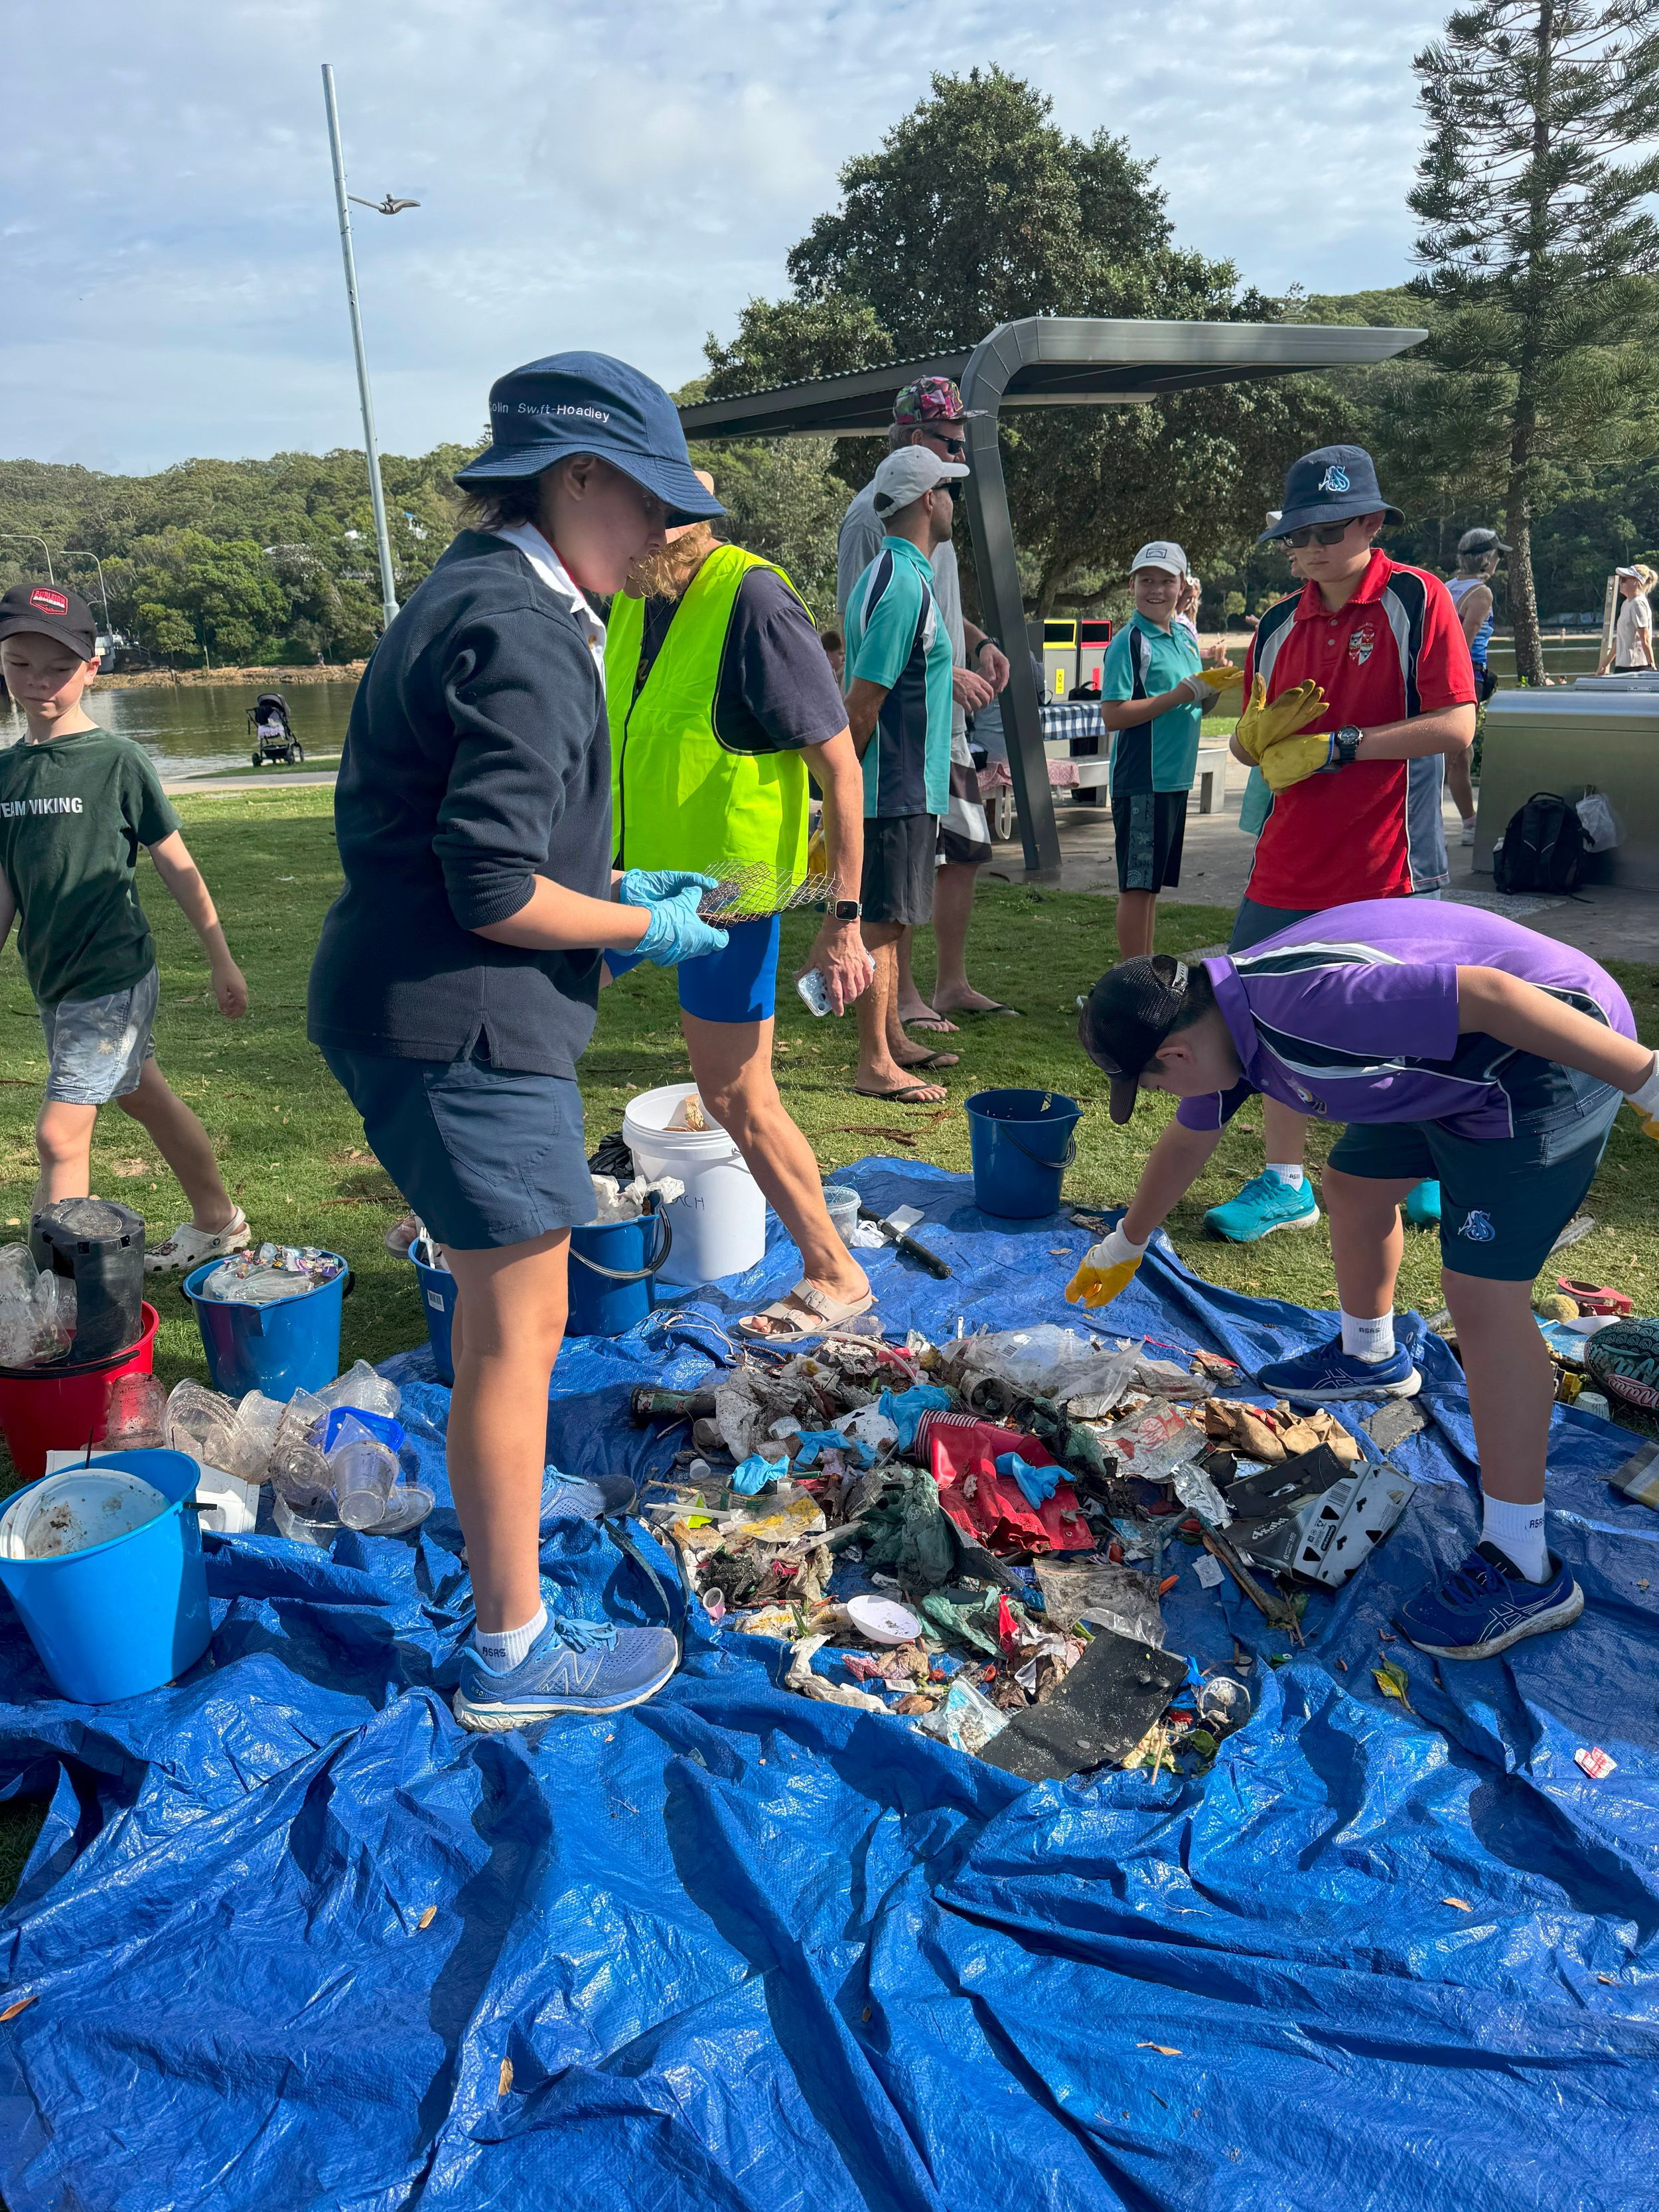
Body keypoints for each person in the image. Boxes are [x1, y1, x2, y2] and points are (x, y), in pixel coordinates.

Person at [308, 351, 729, 1732]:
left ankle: (504, 1485)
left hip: (421, 1003)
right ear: (575, 476)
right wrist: (639, 923)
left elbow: (482, 833)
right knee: (517, 1326)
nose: (661, 530)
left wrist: (613, 886)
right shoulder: (527, 627)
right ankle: (511, 1651)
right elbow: (492, 885)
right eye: (647, 500)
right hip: (464, 1025)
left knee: (511, 1325)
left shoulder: (471, 592)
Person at [1067, 900, 1659, 1659]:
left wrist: (1645, 1079)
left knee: (1481, 1296)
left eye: (1150, 1087)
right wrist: (1127, 1240)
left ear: (1175, 1056)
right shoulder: (1219, 1019)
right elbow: (1190, 1136)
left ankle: (1523, 1562)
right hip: (1450, 1062)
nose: (1164, 1100)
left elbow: (1492, 996)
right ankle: (1370, 1353)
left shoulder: (1309, 1010)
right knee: (1351, 1185)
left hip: (1542, 1052)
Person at [603, 475, 876, 1345]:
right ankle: (484, 1227)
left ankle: (835, 1272)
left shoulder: (753, 598)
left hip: (727, 896)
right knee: (517, 1024)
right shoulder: (631, 595)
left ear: (678, 524)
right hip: (625, 884)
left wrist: (844, 920)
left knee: (735, 1092)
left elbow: (842, 771)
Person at [1205, 444, 1477, 1245]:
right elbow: (1247, 744)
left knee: (1410, 1022)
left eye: (1329, 529)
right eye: (1299, 534)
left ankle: (1420, 1167)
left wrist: (1342, 745)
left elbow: (1456, 726)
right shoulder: (1276, 622)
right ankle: (1285, 1182)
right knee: (1262, 1019)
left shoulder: (1416, 597)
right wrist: (1253, 738)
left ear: (1369, 522)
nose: (1313, 547)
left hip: (1391, 860)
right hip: (1288, 861)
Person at [0, 582, 253, 1271]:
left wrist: (220, 957)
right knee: (146, 1097)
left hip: (111, 975)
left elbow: (177, 865)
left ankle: (57, 1298)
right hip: (55, 979)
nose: (39, 681)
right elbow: (8, 885)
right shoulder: (7, 773)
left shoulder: (118, 761)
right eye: (21, 664)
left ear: (92, 668)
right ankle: (220, 1221)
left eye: (59, 667)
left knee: (59, 1135)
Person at [837, 377, 1015, 1027]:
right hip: (905, 738)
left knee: (959, 851)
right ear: (917, 442)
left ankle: (947, 986)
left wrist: (980, 642)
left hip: (943, 724)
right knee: (902, 874)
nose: (960, 463)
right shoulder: (876, 515)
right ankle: (896, 1007)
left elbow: (927, 605)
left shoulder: (927, 517)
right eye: (952, 447)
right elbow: (876, 625)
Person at [842, 448, 962, 1103]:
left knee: (891, 919)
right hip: (893, 785)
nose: (954, 504)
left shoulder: (896, 573)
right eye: (949, 490)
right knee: (879, 924)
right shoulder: (902, 584)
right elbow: (863, 703)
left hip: (903, 784)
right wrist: (840, 794)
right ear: (927, 500)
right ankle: (874, 1064)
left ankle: (891, 1040)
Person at [1100, 540, 1239, 960]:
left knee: (1151, 887)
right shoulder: (1129, 641)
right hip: (1143, 777)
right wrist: (1178, 695)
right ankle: (1135, 980)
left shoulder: (1183, 636)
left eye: (1166, 581)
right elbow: (1113, 715)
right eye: (1146, 580)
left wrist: (1210, 690)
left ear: (1183, 587)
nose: (1156, 590)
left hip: (1175, 778)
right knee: (1137, 886)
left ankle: (1146, 974)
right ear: (1132, 586)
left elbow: (1193, 702)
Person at [1445, 526, 1506, 846]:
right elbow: (1463, 641)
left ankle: (1469, 822)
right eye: (1497, 556)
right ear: (1487, 559)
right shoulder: (1481, 594)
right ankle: (1434, 825)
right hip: (1466, 674)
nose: (1498, 563)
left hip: (1444, 673)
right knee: (1453, 753)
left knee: (1462, 752)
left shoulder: (1445, 588)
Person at [1601, 561, 1656, 673]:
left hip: (1636, 667)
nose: (1620, 583)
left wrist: (1652, 666)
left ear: (1636, 582)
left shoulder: (1638, 604)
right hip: (1623, 666)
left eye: (1624, 580)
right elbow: (1620, 639)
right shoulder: (1626, 604)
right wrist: (1604, 665)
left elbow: (1645, 639)